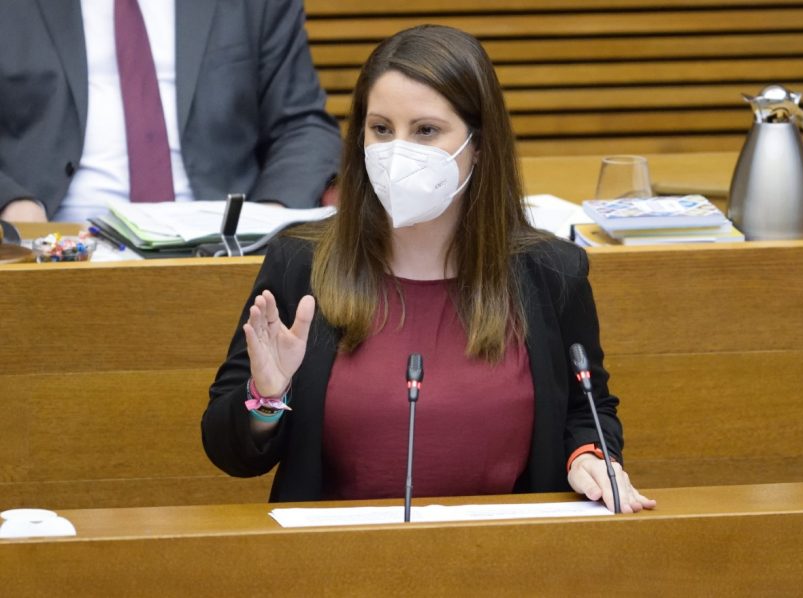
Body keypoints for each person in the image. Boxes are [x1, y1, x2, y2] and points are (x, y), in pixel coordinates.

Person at [202, 24, 655, 513]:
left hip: (511, 561)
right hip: (333, 565)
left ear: (478, 145)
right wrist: (266, 397)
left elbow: (587, 409)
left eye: (425, 131)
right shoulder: (300, 265)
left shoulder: (551, 272)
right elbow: (231, 454)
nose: (398, 152)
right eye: (381, 129)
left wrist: (589, 456)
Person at [0, 0, 341, 222]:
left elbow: (303, 125)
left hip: (218, 240)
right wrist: (10, 203)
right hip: (55, 240)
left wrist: (268, 218)